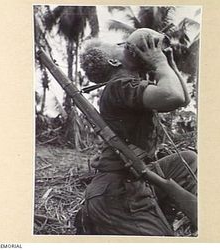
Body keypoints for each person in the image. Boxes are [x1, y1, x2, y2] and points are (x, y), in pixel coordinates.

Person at [77, 28, 197, 235]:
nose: (125, 46)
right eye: (120, 46)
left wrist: (168, 63)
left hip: (136, 175)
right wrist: (159, 62)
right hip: (117, 193)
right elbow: (173, 96)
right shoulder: (119, 86)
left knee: (187, 159)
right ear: (114, 63)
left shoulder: (129, 85)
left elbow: (183, 99)